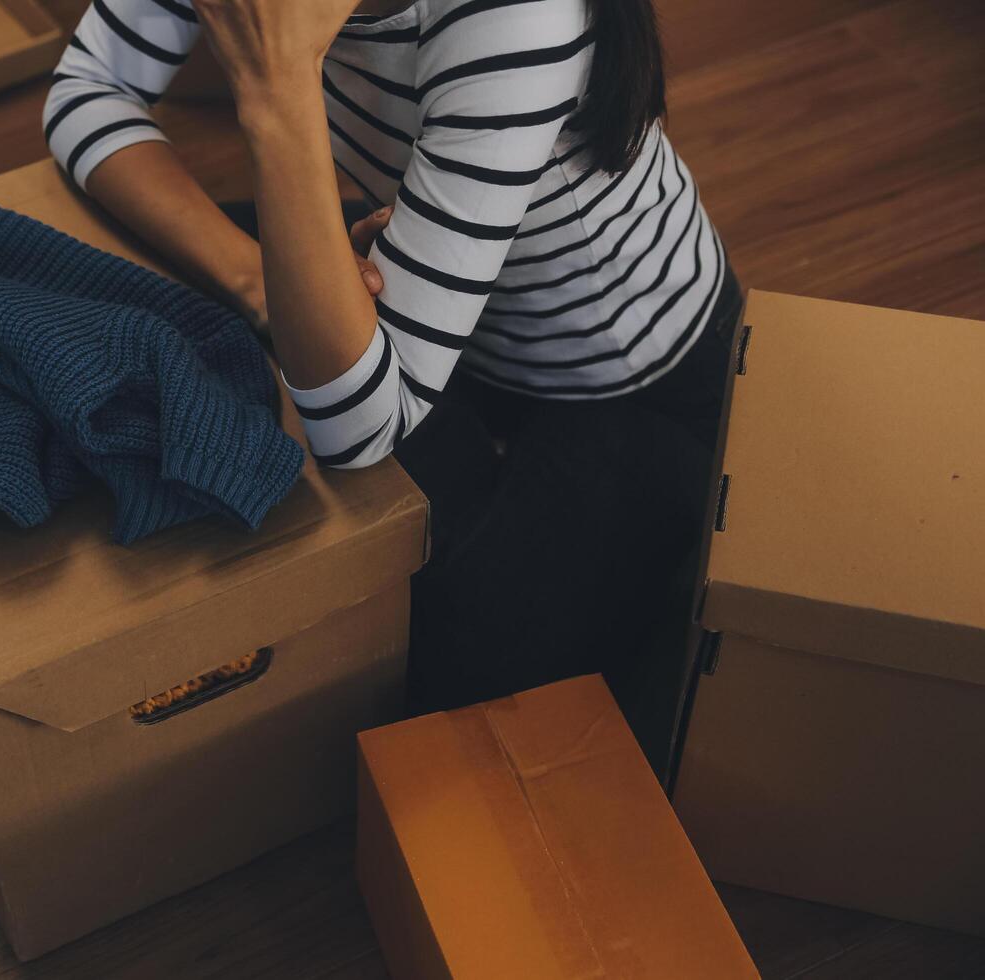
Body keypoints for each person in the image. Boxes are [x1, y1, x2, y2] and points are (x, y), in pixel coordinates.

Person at [41, 0, 743, 742]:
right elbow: (87, 88)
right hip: (435, 304)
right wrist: (256, 282)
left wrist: (276, 86)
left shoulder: (519, 16)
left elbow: (356, 427)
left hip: (628, 380)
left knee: (420, 688)